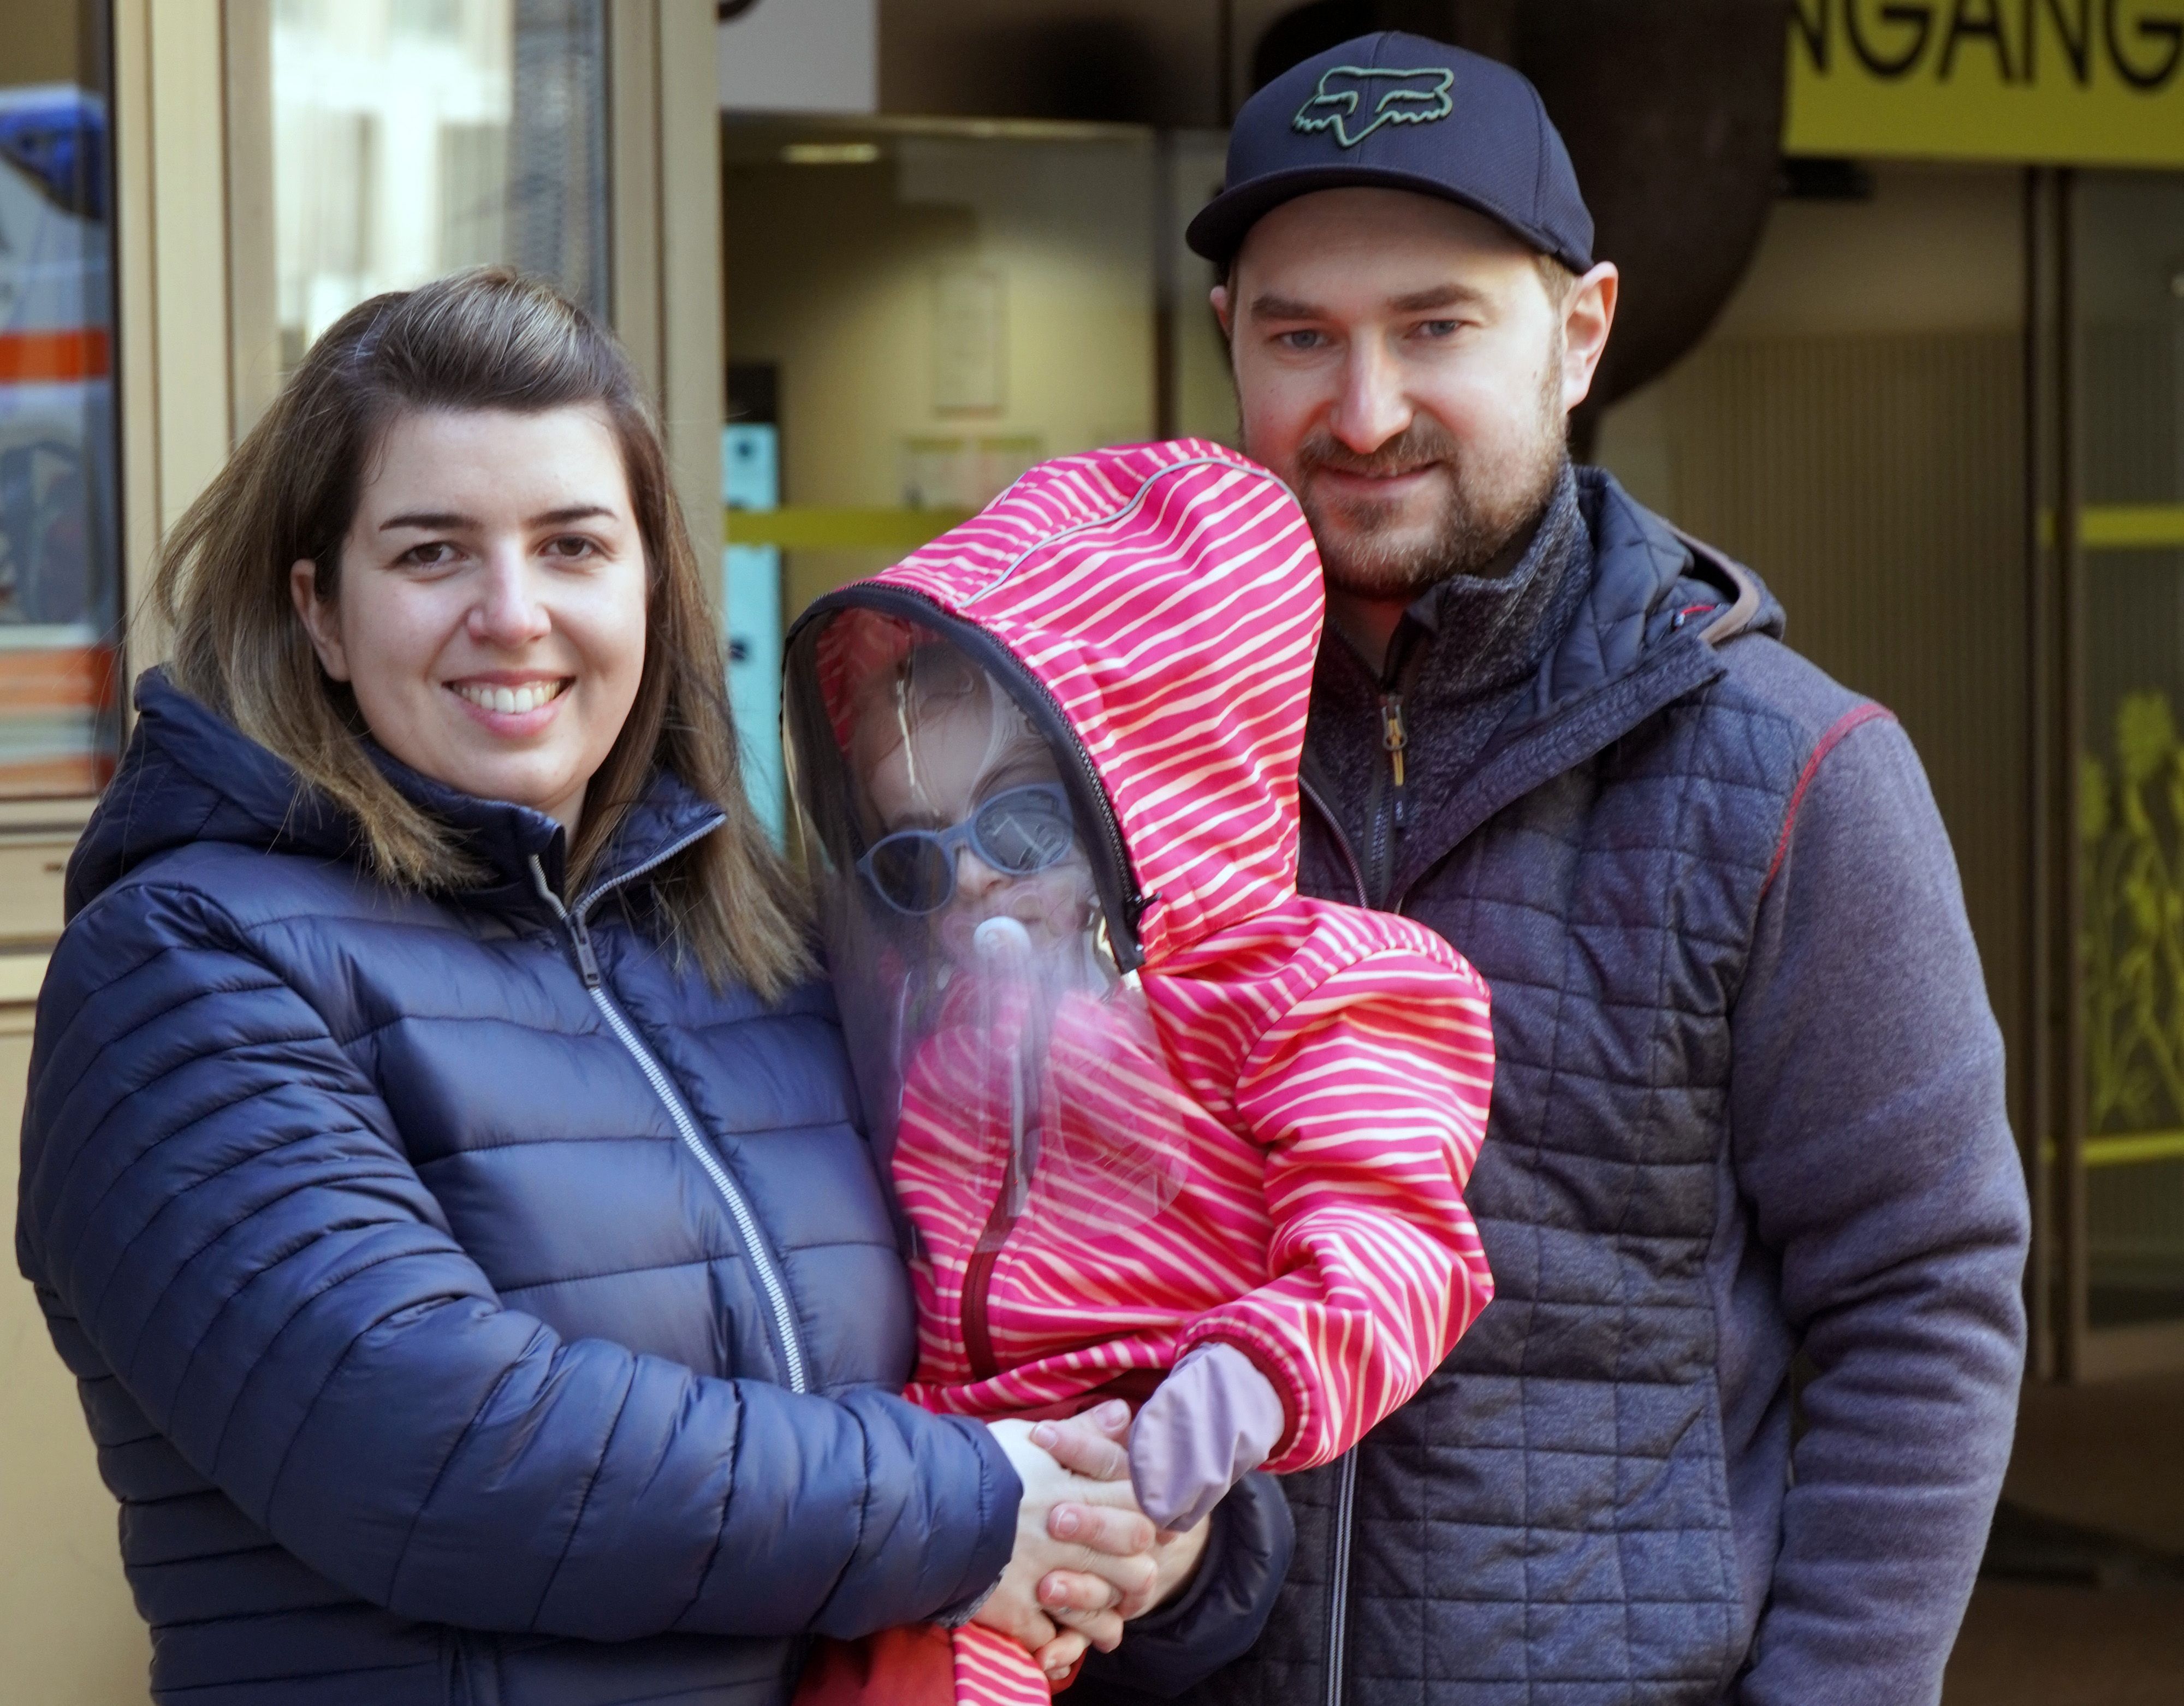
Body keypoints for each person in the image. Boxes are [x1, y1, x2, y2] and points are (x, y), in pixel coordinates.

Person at [13, 270, 1291, 1706]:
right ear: (318, 609)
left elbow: (1039, 1306)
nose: (514, 613)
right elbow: (441, 1444)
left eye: (572, 545)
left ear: (651, 586)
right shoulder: (182, 966)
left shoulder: (764, 946)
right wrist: (979, 1502)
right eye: (433, 553)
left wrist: (1159, 1521)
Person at [1090, 33, 2032, 1706]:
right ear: (1230, 338)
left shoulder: (1794, 770)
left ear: (1580, 330)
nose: (1363, 410)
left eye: (1436, 327)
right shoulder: (1110, 747)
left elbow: (1924, 1302)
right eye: (1303, 335)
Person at [781, 442, 1498, 1705]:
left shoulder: (1318, 984)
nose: (970, 888)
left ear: (1149, 794)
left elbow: (1396, 1236)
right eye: (913, 860)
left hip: (1145, 1458)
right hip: (956, 1477)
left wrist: (1248, 1378)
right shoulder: (942, 1034)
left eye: (1017, 823)